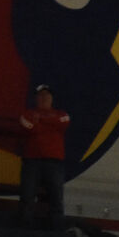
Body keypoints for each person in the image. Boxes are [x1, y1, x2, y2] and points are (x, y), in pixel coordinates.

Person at [16, 85, 70, 229]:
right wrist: (49, 124)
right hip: (32, 160)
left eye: (47, 95)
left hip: (54, 161)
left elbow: (64, 121)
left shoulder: (61, 114)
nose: (44, 98)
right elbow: (27, 126)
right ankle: (24, 227)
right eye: (40, 95)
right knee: (27, 196)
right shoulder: (27, 114)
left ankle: (56, 228)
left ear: (52, 98)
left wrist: (40, 121)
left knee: (56, 197)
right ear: (35, 98)